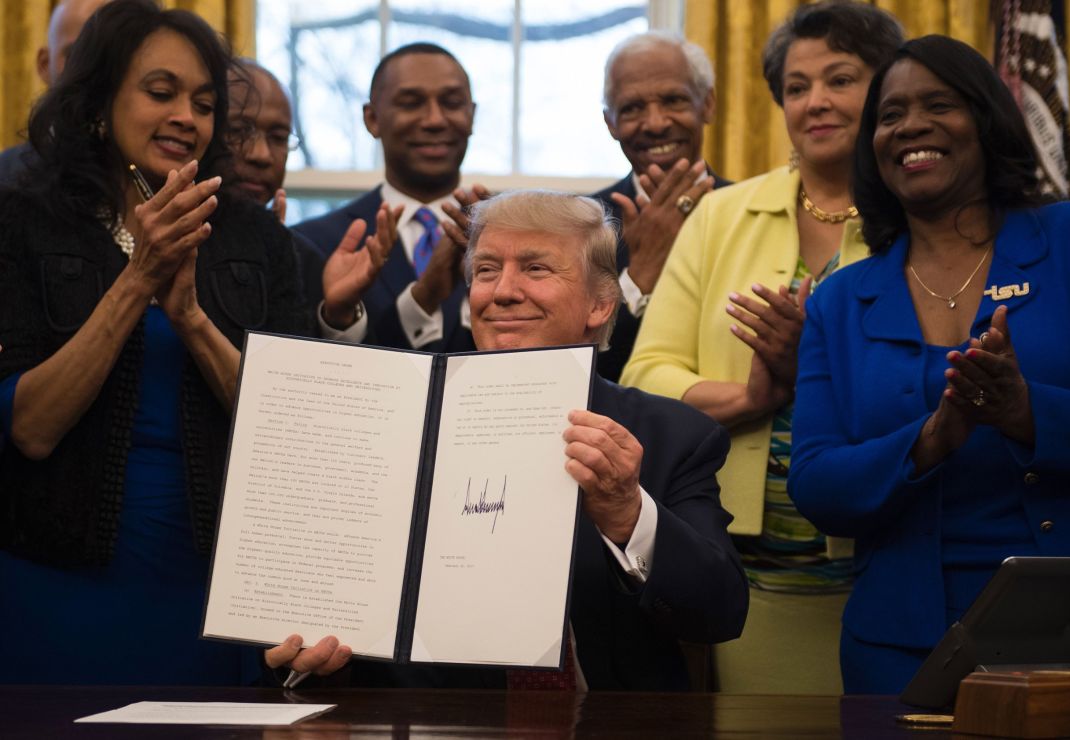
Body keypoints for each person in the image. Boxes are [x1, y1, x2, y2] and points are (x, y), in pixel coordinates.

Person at [267, 190, 748, 691]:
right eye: (488, 271)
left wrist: (628, 515)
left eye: (536, 269)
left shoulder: (673, 436)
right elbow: (333, 614)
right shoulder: (392, 424)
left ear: (600, 304)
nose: (503, 291)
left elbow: (720, 615)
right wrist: (307, 651)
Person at [788, 34, 1070, 695]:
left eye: (939, 104)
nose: (911, 126)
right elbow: (816, 484)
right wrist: (930, 440)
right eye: (890, 114)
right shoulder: (842, 300)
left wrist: (1030, 414)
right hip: (899, 652)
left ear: (986, 120)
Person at [0, 0, 309, 684]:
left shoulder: (256, 239)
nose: (187, 117)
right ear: (99, 101)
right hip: (57, 580)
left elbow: (297, 433)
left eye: (203, 103)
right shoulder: (21, 222)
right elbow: (30, 427)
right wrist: (138, 278)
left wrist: (194, 320)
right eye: (160, 93)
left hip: (215, 591)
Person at [621, 1, 903, 694]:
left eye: (841, 79)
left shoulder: (913, 221)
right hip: (746, 579)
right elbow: (645, 377)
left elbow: (928, 393)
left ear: (887, 92)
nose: (817, 102)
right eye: (798, 87)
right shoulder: (719, 214)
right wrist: (754, 397)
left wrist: (816, 373)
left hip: (884, 568)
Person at [292, 42, 485, 352]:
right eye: (411, 103)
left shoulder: (509, 236)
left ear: (472, 115)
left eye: (451, 102)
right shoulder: (312, 243)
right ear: (372, 119)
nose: (435, 119)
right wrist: (340, 317)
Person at [592, 32, 731, 381]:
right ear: (610, 122)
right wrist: (639, 277)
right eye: (633, 108)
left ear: (708, 104)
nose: (656, 123)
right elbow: (576, 366)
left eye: (674, 100)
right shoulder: (579, 224)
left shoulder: (752, 211)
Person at [225, 59, 391, 339]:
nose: (261, 155)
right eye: (240, 131)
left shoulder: (304, 259)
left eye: (278, 137)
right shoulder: (157, 242)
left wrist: (338, 316)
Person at [0, 0, 110, 184]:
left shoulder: (160, 168)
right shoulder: (6, 175)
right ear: (44, 64)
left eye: (112, 57)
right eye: (78, 55)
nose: (96, 70)